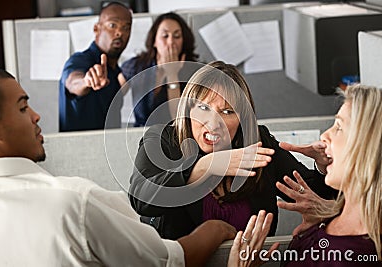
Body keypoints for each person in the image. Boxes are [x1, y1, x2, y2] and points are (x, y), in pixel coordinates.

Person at [0, 68, 238, 266]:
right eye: (23, 107)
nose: (36, 116)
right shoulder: (75, 203)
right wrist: (217, 227)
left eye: (227, 110)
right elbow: (171, 260)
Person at [128, 61, 336, 240]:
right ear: (188, 109)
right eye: (203, 108)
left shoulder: (257, 142)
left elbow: (311, 194)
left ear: (242, 120)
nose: (213, 123)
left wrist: (326, 169)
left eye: (227, 112)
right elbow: (141, 199)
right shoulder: (164, 140)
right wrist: (204, 167)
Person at [228, 84, 382, 266]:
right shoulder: (328, 219)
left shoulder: (351, 255)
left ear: (369, 149)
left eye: (339, 127)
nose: (325, 135)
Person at [59, 2, 131, 132]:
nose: (119, 32)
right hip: (81, 149)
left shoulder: (116, 71)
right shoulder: (80, 60)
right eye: (112, 25)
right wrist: (86, 81)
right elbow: (71, 82)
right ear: (96, 29)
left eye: (126, 27)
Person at [119, 12, 199, 127]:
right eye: (165, 36)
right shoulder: (137, 66)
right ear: (154, 41)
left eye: (177, 36)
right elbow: (112, 97)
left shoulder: (194, 71)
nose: (171, 42)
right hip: (139, 136)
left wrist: (172, 75)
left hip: (174, 138)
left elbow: (178, 119)